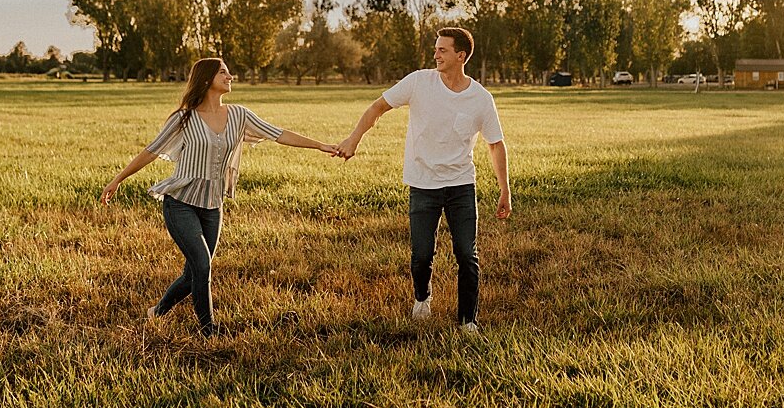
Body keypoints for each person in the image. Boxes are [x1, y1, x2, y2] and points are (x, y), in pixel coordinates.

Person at [101, 57, 339, 335]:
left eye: (229, 72)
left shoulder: (240, 115)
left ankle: (158, 311)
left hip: (213, 206)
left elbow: (279, 134)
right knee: (202, 265)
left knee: (193, 275)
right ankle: (208, 331)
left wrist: (320, 145)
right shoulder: (184, 118)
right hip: (181, 203)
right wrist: (118, 179)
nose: (230, 76)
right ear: (206, 79)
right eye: (223, 72)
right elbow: (152, 150)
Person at [336, 27, 511, 333]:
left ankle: (468, 320)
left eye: (442, 50)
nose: (435, 55)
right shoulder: (419, 81)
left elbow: (495, 144)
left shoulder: (480, 98)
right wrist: (354, 139)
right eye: (435, 49)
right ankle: (422, 297)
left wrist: (504, 190)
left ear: (461, 56)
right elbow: (378, 106)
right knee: (421, 255)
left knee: (467, 255)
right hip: (423, 184)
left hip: (460, 185)